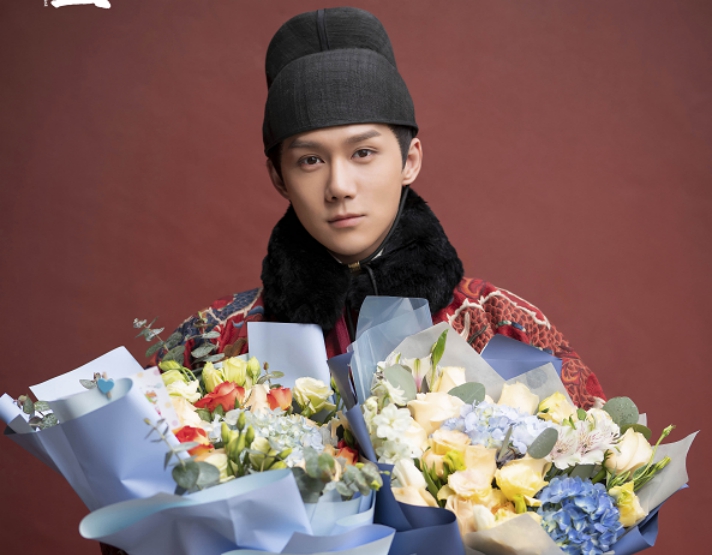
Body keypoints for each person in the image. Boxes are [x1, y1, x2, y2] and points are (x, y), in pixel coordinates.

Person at [151, 6, 605, 410]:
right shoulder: (214, 342)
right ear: (279, 177)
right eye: (310, 161)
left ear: (409, 161)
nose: (339, 186)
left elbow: (602, 464)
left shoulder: (501, 325)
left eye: (363, 153)